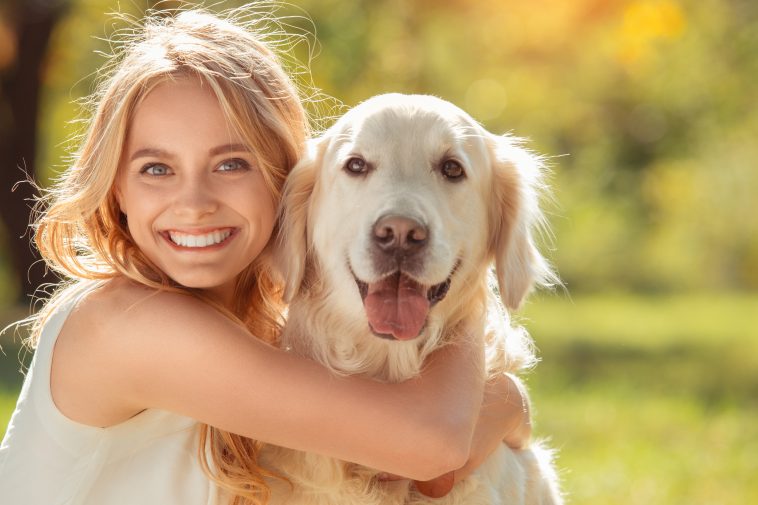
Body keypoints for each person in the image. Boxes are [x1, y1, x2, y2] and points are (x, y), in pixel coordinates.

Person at [0, 7, 533, 505]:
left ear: (284, 183)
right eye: (156, 169)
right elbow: (431, 446)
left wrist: (501, 399)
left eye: (231, 164)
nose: (194, 204)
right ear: (115, 189)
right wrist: (471, 297)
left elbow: (429, 466)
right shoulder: (126, 324)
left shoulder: (273, 334)